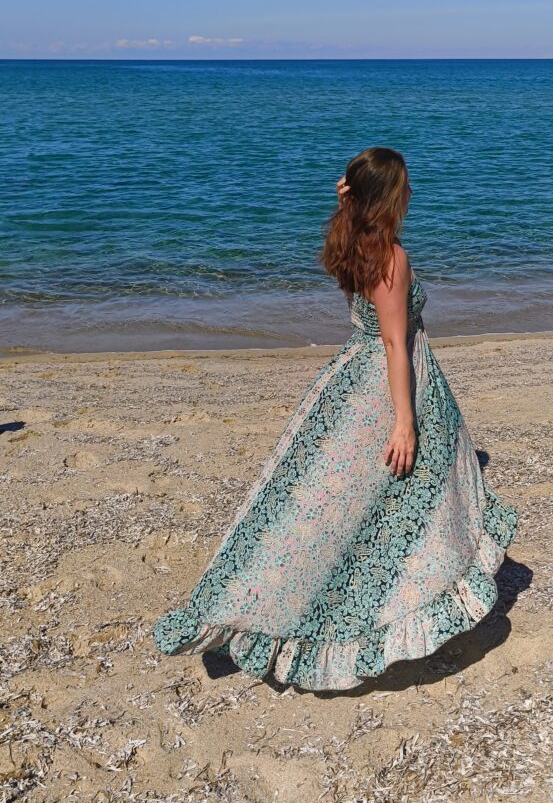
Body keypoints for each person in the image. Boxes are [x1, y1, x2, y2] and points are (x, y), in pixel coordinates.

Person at [151, 146, 519, 691]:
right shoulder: (390, 257)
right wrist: (405, 421)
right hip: (388, 381)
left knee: (337, 502)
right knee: (411, 492)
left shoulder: (348, 242)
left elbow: (376, 320)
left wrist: (347, 199)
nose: (412, 193)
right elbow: (395, 344)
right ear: (388, 198)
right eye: (404, 187)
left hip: (353, 372)